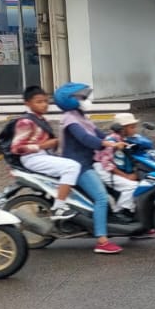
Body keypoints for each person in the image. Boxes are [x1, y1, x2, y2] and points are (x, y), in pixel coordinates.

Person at [54, 82, 123, 254]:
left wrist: (117, 140)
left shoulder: (81, 116)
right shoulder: (70, 119)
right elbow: (85, 138)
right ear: (69, 99)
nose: (85, 100)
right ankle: (102, 241)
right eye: (81, 97)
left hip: (89, 162)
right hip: (79, 166)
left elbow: (98, 134)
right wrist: (106, 144)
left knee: (115, 186)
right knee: (101, 198)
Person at [10, 86, 81, 220]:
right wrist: (43, 145)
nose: (44, 105)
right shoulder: (25, 121)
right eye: (39, 102)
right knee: (72, 167)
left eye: (46, 101)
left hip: (43, 156)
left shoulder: (41, 119)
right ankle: (59, 208)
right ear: (27, 103)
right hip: (32, 158)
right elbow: (16, 148)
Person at [93, 113, 143, 214]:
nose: (135, 130)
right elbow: (107, 164)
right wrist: (126, 176)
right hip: (103, 170)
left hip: (112, 168)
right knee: (133, 186)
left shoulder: (123, 139)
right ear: (122, 129)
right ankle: (120, 211)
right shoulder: (112, 141)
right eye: (132, 127)